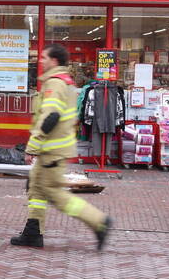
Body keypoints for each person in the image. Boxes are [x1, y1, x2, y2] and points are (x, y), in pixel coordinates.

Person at [10, 44, 112, 250]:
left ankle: (99, 221)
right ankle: (33, 232)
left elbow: (51, 117)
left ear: (54, 61)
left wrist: (32, 147)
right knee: (36, 189)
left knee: (55, 194)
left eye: (44, 57)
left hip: (51, 150)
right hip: (54, 149)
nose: (41, 60)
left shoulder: (54, 84)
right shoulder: (65, 82)